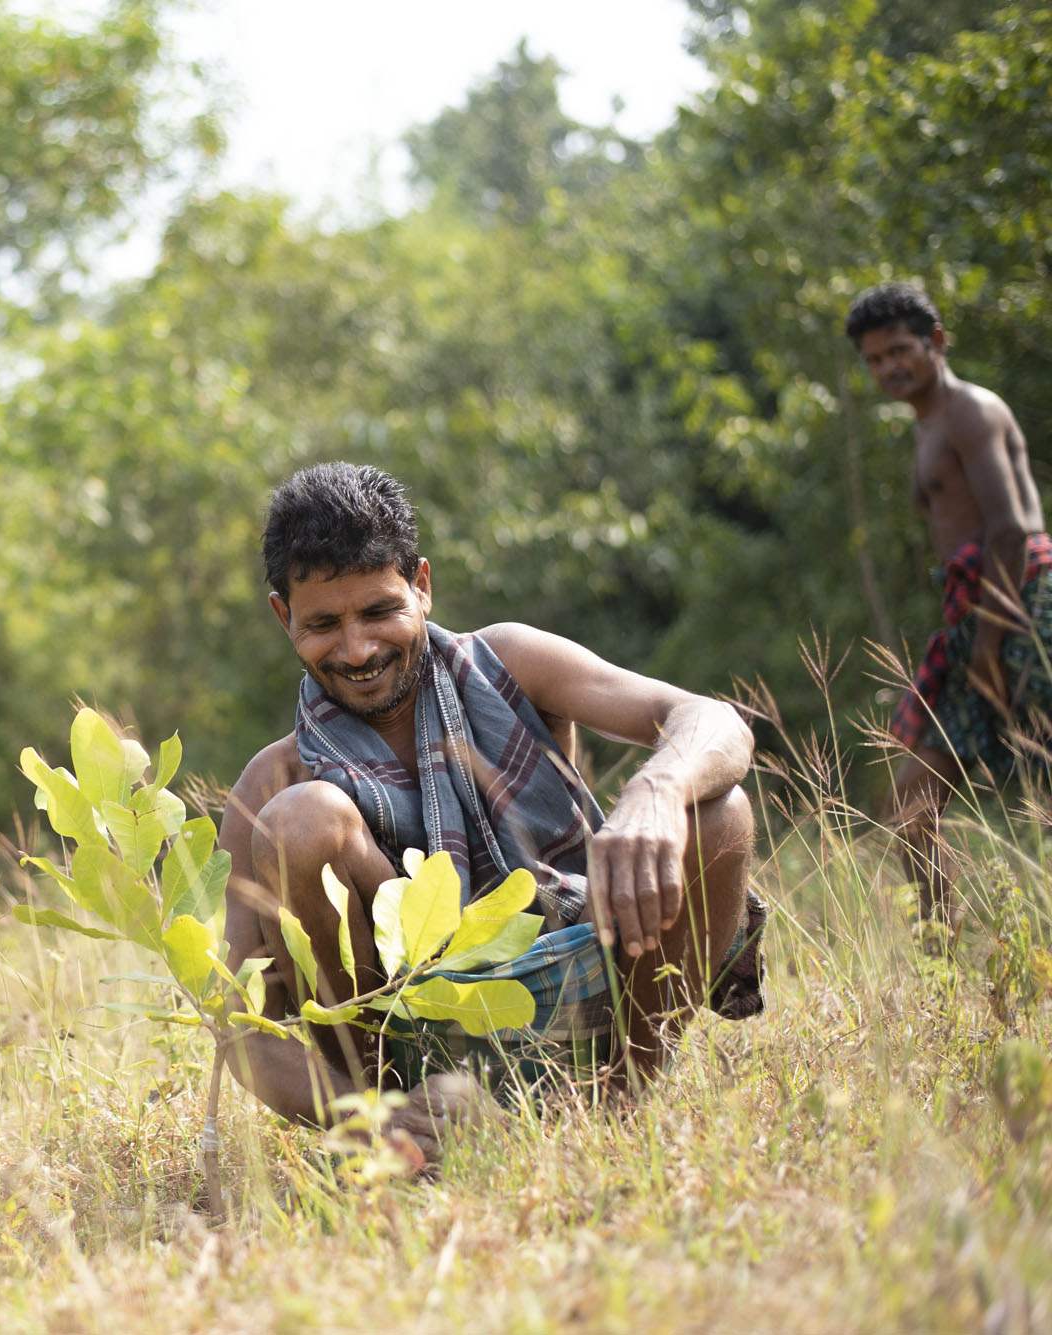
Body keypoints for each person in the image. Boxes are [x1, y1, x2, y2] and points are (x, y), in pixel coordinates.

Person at [218, 463, 766, 1167]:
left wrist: (654, 793)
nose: (356, 650)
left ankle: (621, 1106)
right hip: (414, 1059)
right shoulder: (272, 780)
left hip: (588, 983)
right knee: (301, 819)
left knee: (720, 810)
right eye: (323, 623)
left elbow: (711, 720)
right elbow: (242, 1027)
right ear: (282, 616)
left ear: (422, 584)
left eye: (380, 611)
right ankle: (415, 1141)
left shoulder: (505, 660)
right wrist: (369, 1118)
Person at [847, 282, 1050, 926]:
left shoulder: (970, 411)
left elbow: (1012, 530)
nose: (889, 368)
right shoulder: (928, 425)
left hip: (1022, 610)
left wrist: (990, 645)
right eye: (875, 359)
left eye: (901, 350)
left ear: (936, 342)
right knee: (912, 804)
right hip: (973, 624)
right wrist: (971, 642)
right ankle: (945, 961)